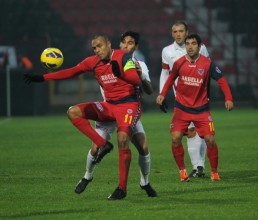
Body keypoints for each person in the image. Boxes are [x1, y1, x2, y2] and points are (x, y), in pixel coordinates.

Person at [24, 35, 142, 200]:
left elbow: (136, 80)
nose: (97, 50)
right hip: (109, 105)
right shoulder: (92, 62)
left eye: (100, 46)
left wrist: (120, 73)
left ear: (108, 44)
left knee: (123, 140)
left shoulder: (122, 57)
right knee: (73, 112)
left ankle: (122, 189)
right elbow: (71, 72)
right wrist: (42, 78)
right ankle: (103, 145)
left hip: (128, 105)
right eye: (94, 48)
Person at [74, 31, 157, 198]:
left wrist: (141, 75)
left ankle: (145, 182)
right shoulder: (104, 60)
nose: (126, 45)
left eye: (130, 43)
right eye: (124, 42)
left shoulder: (139, 64)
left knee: (144, 147)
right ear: (118, 45)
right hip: (108, 111)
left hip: (126, 111)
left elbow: (148, 90)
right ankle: (87, 175)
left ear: (136, 47)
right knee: (95, 148)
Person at [156, 33, 234, 182]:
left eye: (193, 44)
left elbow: (222, 80)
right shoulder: (179, 63)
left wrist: (229, 98)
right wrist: (162, 94)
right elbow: (171, 78)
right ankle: (182, 172)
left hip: (201, 109)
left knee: (210, 139)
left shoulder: (207, 64)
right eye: (188, 44)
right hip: (181, 108)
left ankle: (215, 172)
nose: (190, 47)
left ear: (199, 46)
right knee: (176, 138)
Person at [159, 21, 209, 178]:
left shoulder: (202, 48)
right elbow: (165, 73)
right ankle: (198, 166)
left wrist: (206, 92)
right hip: (180, 98)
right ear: (172, 33)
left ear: (187, 32)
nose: (178, 34)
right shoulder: (167, 51)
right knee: (189, 130)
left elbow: (206, 69)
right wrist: (162, 93)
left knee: (197, 131)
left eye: (181, 31)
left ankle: (198, 166)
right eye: (175, 31)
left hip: (199, 96)